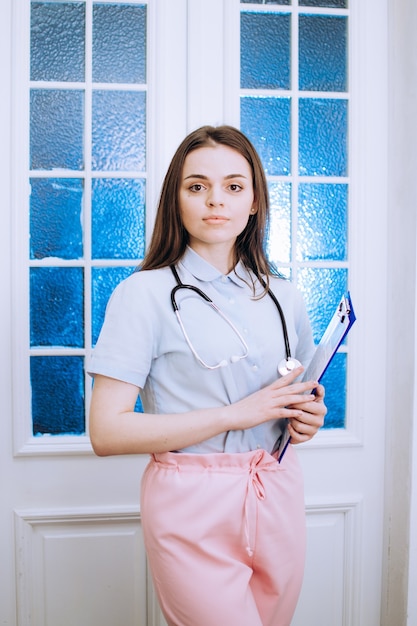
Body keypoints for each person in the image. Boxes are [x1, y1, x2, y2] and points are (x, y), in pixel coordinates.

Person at [88, 125, 326, 626]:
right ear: (175, 199)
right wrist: (233, 415)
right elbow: (107, 431)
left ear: (255, 200)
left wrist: (307, 418)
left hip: (276, 488)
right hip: (190, 502)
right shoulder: (143, 294)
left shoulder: (286, 296)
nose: (215, 200)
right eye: (196, 186)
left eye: (234, 186)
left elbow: (299, 395)